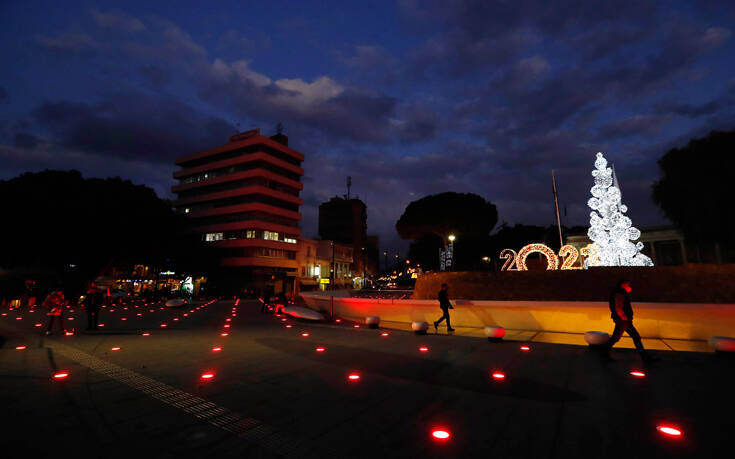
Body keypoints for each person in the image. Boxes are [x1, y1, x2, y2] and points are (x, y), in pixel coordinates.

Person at [605, 279, 655, 362]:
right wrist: (624, 317)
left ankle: (645, 357)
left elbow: (618, 306)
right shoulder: (620, 293)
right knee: (628, 337)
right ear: (623, 285)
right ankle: (645, 358)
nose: (630, 285)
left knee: (620, 337)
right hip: (623, 320)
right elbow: (618, 307)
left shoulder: (619, 292)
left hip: (622, 320)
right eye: (628, 284)